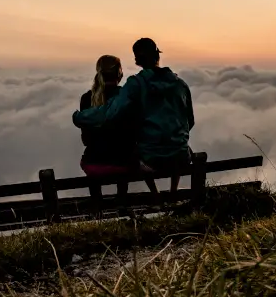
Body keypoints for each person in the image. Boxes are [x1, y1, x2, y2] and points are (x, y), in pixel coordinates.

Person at [73, 38, 195, 195]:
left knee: (136, 150)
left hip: (150, 159)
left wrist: (79, 117)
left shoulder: (135, 84)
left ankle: (155, 195)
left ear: (137, 60)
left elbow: (110, 113)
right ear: (158, 56)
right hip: (181, 157)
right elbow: (189, 121)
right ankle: (173, 192)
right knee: (179, 147)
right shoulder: (181, 85)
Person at [78, 55, 140, 203]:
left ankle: (97, 207)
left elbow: (85, 139)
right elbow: (135, 134)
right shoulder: (127, 97)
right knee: (126, 154)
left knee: (96, 159)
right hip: (124, 164)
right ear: (120, 74)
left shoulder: (86, 99)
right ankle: (122, 203)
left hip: (93, 165)